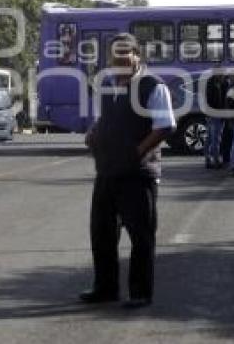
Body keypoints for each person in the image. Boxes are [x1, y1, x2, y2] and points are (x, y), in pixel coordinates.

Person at [80, 32, 175, 309]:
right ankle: (105, 288)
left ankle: (140, 292)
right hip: (107, 171)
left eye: (125, 53)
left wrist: (135, 153)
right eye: (115, 55)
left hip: (137, 173)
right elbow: (104, 120)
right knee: (102, 232)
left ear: (137, 56)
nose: (120, 59)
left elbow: (164, 126)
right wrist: (93, 133)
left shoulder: (152, 87)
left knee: (140, 235)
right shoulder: (108, 85)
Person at [203, 71, 228, 169]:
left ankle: (208, 159)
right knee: (215, 139)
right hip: (215, 114)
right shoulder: (214, 85)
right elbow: (216, 101)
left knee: (210, 138)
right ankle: (215, 160)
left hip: (212, 114)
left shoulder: (215, 83)